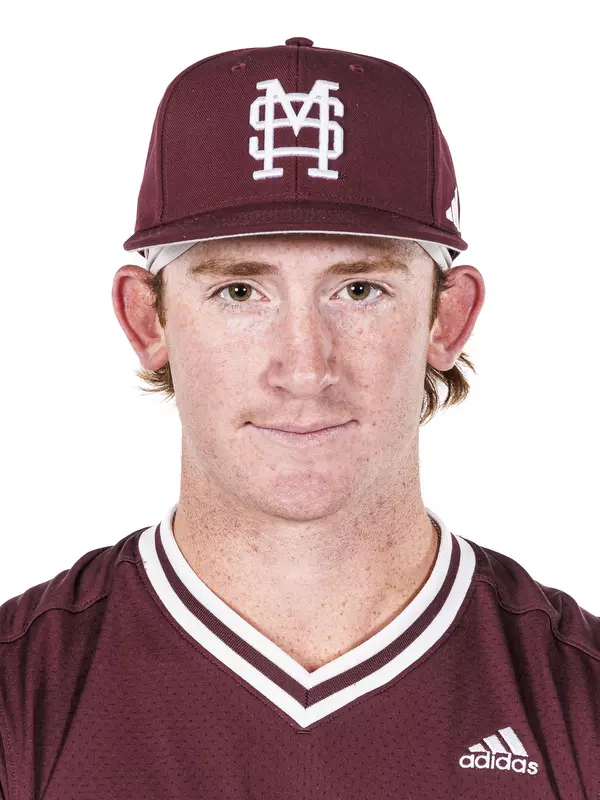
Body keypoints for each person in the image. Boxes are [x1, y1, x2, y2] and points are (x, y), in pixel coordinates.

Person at [0, 37, 598, 800]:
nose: (306, 368)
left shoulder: (578, 701)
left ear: (448, 319)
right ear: (146, 319)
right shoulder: (21, 697)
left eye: (359, 290)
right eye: (241, 292)